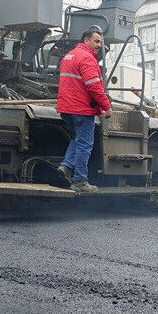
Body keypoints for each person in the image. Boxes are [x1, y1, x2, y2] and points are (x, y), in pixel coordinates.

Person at [55, 26, 112, 193]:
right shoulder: (87, 58)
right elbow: (93, 86)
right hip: (81, 109)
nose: (99, 45)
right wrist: (106, 106)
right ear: (86, 40)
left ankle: (66, 166)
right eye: (96, 41)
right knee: (85, 144)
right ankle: (80, 180)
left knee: (77, 138)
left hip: (66, 108)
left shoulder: (69, 56)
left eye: (100, 42)